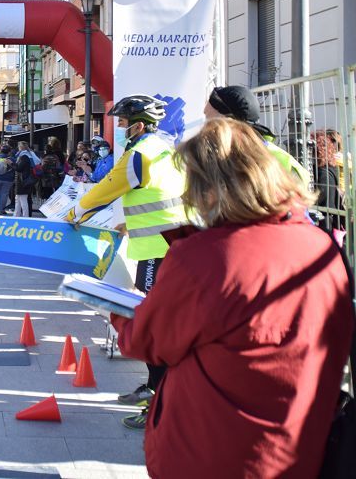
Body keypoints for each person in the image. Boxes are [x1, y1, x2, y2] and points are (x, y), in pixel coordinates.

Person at [110, 118, 353, 477]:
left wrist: (118, 305)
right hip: (297, 446)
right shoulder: (323, 248)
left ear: (209, 188)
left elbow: (148, 341)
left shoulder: (203, 257)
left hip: (211, 449)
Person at [66, 95, 189, 430]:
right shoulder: (166, 149)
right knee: (158, 321)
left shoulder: (141, 154)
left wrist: (75, 212)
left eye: (121, 123)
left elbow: (108, 187)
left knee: (155, 325)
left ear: (138, 125)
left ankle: (158, 403)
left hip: (156, 249)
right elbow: (160, 197)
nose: (118, 129)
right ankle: (152, 387)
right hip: (170, 243)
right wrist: (128, 224)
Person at [203, 85, 310, 185]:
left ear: (228, 122)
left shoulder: (277, 161)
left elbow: (297, 200)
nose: (204, 129)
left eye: (208, 121)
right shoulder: (221, 159)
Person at [12, 141, 36, 218]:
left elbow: (19, 168)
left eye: (19, 147)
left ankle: (25, 216)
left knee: (22, 200)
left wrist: (11, 163)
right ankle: (16, 215)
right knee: (18, 199)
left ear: (21, 147)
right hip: (21, 180)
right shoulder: (26, 155)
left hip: (22, 181)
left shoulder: (24, 156)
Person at [0, 145, 15, 216]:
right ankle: (2, 210)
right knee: (4, 194)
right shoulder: (12, 159)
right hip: (8, 180)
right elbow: (15, 167)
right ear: (9, 152)